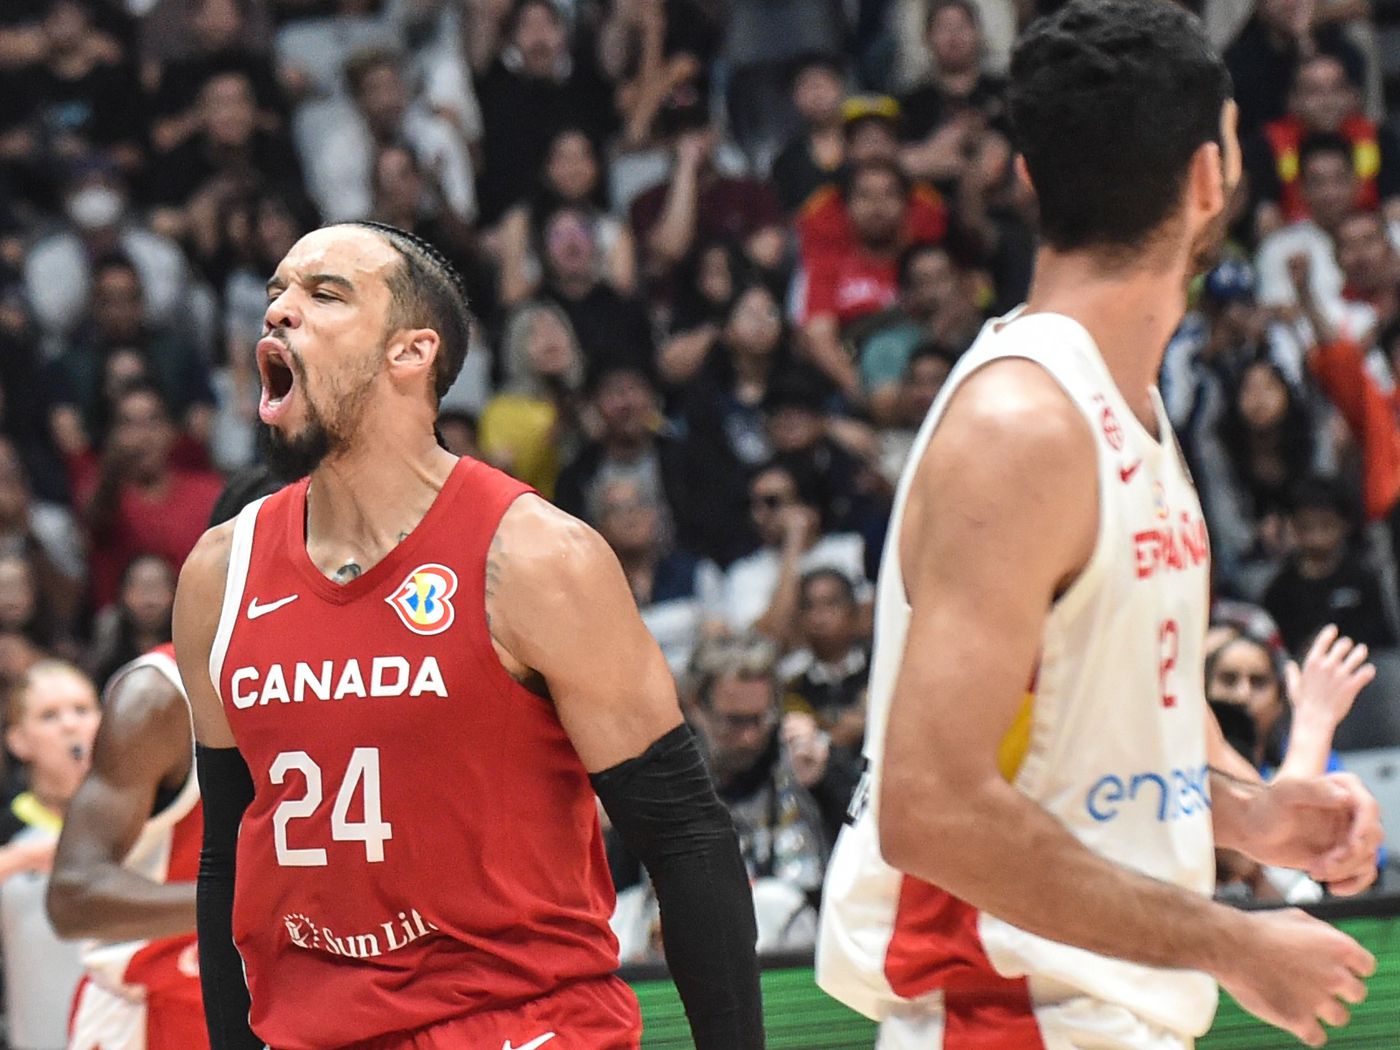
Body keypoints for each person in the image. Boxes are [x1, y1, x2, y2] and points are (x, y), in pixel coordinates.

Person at [818, 4, 1383, 1049]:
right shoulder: (1021, 427)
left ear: (1027, 180)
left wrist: (1249, 816)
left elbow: (1123, 730)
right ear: (1209, 179)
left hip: (1101, 1014)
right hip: (1003, 1018)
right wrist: (1231, 941)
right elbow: (928, 810)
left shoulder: (1122, 403)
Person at [172, 221, 762, 1049]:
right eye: (275, 295)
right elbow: (225, 859)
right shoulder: (217, 576)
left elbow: (686, 834)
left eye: (324, 293)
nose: (280, 314)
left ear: (411, 353)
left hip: (521, 1026)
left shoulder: (536, 557)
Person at [47, 472, 282, 1050]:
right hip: (154, 1017)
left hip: (282, 1007)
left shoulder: (342, 685)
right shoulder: (161, 695)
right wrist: (259, 897)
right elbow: (74, 895)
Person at [0, 661, 101, 1050]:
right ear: (19, 741)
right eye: (49, 716)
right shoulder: (10, 827)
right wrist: (20, 860)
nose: (70, 726)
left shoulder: (143, 819)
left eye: (82, 710)